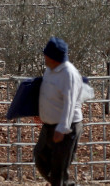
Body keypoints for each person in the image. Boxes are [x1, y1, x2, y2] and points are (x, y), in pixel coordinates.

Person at [35, 37, 86, 186]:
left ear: (53, 56)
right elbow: (47, 94)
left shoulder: (68, 74)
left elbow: (69, 103)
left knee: (58, 168)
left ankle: (61, 183)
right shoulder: (50, 70)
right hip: (50, 124)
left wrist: (63, 129)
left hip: (67, 126)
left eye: (47, 54)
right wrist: (41, 113)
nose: (44, 57)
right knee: (40, 157)